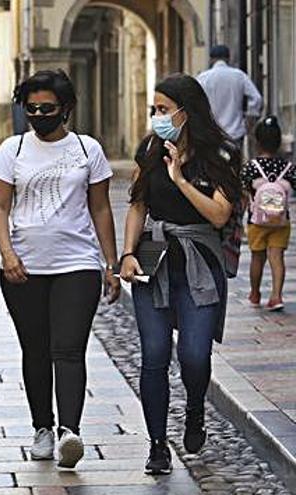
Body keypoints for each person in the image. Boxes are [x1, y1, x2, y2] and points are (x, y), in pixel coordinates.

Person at [0, 70, 120, 470]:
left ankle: (70, 432)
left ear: (66, 109)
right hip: (23, 266)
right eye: (32, 109)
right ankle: (42, 427)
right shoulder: (12, 149)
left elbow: (100, 207)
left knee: (68, 348)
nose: (40, 115)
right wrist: (6, 253)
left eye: (48, 108)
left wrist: (110, 263)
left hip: (77, 263)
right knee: (36, 349)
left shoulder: (87, 149)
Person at [119, 74, 240, 475]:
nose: (156, 116)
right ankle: (157, 446)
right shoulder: (150, 149)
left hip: (199, 260)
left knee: (194, 356)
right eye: (154, 109)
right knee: (153, 355)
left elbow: (220, 214)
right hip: (154, 258)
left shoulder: (220, 155)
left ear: (186, 113)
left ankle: (194, 409)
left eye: (163, 110)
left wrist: (180, 181)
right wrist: (127, 254)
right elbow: (137, 204)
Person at [242, 116, 294, 311]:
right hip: (281, 221)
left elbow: (244, 193)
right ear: (279, 142)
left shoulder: (251, 168)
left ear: (256, 142)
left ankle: (255, 293)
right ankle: (276, 296)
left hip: (257, 221)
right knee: (276, 257)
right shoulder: (288, 168)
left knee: (257, 258)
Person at [197, 45, 263, 147]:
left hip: (212, 133)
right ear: (228, 59)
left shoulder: (203, 78)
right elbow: (256, 98)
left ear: (211, 60)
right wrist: (250, 117)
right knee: (234, 161)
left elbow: (195, 101)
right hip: (235, 133)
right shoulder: (239, 76)